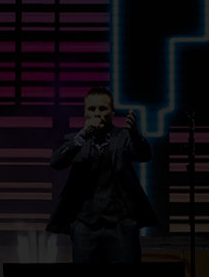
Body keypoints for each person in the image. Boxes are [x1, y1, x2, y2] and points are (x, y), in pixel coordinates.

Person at [47, 87, 156, 263]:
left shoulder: (125, 137)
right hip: (84, 224)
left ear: (112, 112)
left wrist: (136, 135)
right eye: (92, 109)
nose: (97, 113)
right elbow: (56, 162)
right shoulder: (74, 139)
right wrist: (83, 135)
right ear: (85, 113)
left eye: (102, 108)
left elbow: (145, 155)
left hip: (121, 222)